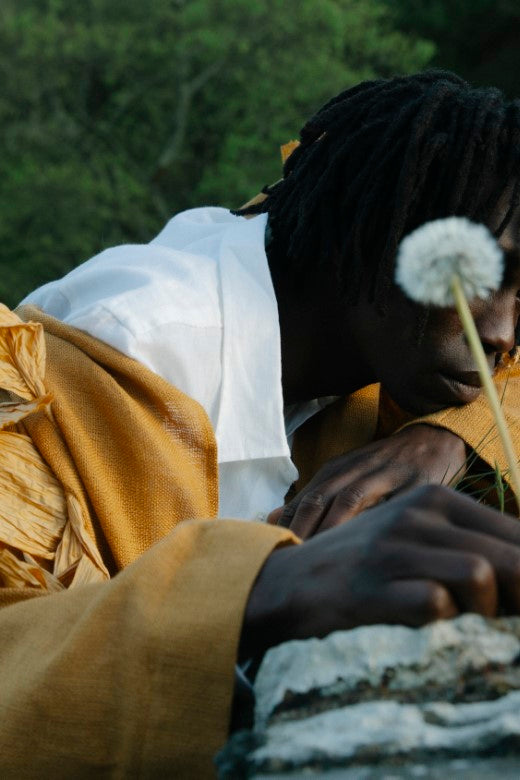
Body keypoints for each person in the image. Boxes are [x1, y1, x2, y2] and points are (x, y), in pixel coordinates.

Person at [1, 70, 520, 777]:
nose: (503, 336)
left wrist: (453, 436)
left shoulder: (370, 330)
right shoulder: (125, 350)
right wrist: (252, 593)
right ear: (371, 224)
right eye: (486, 273)